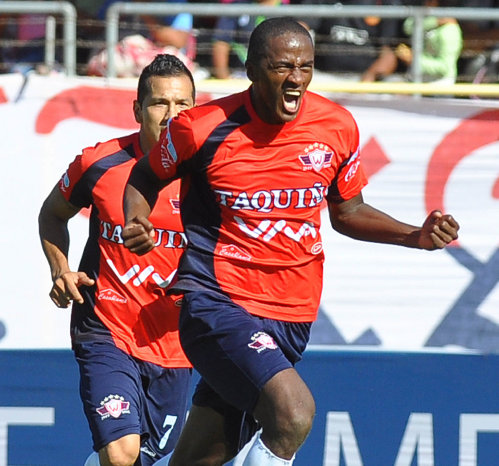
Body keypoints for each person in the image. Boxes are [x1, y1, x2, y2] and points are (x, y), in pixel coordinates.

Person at [121, 18, 460, 465]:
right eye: (282, 67)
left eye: (306, 66)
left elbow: (349, 212)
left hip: (291, 316)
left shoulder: (336, 126)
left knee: (201, 458)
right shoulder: (201, 128)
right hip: (217, 303)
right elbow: (145, 175)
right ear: (252, 70)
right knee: (293, 414)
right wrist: (137, 218)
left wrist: (414, 236)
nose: (296, 78)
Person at [38, 54, 196, 466]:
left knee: (148, 458)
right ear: (138, 110)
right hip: (104, 328)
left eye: (183, 105)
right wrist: (61, 269)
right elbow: (52, 214)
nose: (172, 115)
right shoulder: (99, 162)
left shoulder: (211, 178)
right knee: (121, 453)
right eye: (161, 103)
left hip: (173, 344)